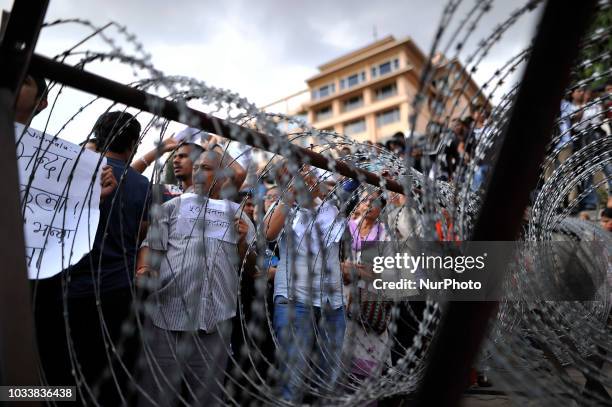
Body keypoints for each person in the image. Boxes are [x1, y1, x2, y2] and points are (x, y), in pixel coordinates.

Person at [136, 149, 256, 407]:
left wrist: (244, 241)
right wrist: (145, 269)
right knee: (157, 397)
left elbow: (250, 268)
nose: (198, 173)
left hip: (213, 324)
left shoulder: (239, 217)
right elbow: (151, 245)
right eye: (197, 167)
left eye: (207, 168)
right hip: (166, 317)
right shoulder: (171, 208)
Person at [263, 164, 346, 403]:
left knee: (330, 378)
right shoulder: (282, 209)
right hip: (295, 299)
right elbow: (268, 233)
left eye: (308, 173)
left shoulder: (332, 210)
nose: (305, 179)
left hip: (333, 302)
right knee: (293, 376)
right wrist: (289, 194)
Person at [341, 192, 391, 389]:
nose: (369, 204)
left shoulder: (386, 233)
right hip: (343, 298)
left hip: (371, 300)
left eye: (375, 201)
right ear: (358, 205)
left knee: (368, 355)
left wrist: (362, 273)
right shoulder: (344, 229)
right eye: (365, 200)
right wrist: (343, 268)